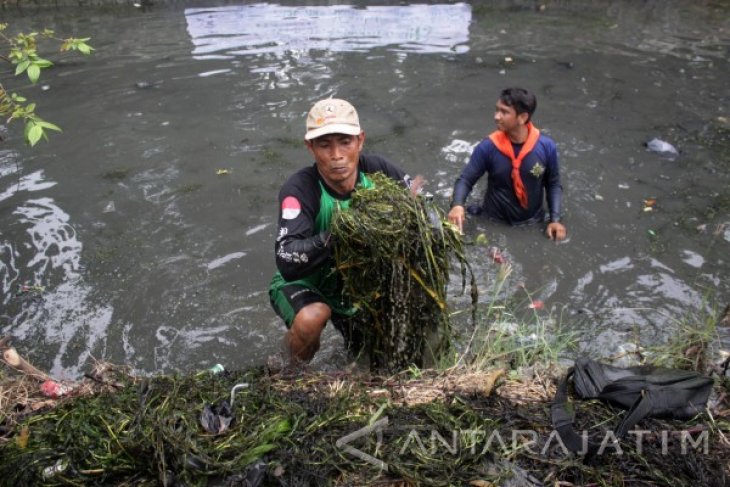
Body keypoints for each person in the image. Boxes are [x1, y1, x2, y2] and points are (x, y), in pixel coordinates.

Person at [269, 98, 413, 364]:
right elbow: (286, 258)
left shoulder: (381, 172)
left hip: (356, 288)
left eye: (345, 142)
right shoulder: (300, 189)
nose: (336, 155)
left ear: (360, 140)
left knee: (372, 357)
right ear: (310, 147)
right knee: (313, 317)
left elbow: (420, 208)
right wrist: (340, 235)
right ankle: (286, 374)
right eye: (324, 145)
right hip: (306, 282)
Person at [447, 87, 567, 241]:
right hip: (492, 222)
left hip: (532, 222)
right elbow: (465, 179)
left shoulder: (546, 147)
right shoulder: (488, 147)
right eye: (497, 110)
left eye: (504, 112)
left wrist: (555, 220)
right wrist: (457, 205)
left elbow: (553, 184)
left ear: (522, 117)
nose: (496, 116)